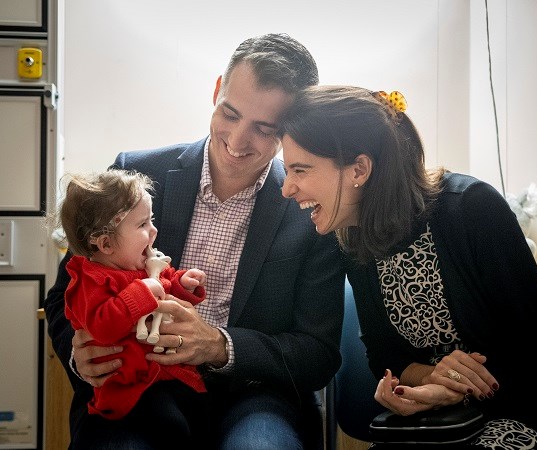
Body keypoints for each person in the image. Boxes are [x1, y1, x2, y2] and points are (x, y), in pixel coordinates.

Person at [44, 34, 345, 450]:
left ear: (289, 129)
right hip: (140, 387)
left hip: (255, 395)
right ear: (217, 89)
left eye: (263, 128)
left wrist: (221, 346)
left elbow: (318, 353)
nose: (238, 142)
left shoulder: (314, 211)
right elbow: (64, 296)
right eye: (231, 113)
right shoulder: (133, 174)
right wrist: (82, 359)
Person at [280, 85, 537, 449]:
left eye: (300, 170)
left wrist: (456, 391)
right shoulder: (352, 238)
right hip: (439, 424)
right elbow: (383, 354)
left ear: (359, 169)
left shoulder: (471, 209)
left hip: (530, 414)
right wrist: (432, 381)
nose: (287, 188)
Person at [55, 169, 208, 447]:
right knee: (173, 427)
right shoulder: (90, 282)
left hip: (161, 374)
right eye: (143, 225)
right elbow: (103, 326)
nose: (154, 231)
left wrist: (184, 284)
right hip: (129, 386)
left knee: (199, 412)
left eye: (152, 220)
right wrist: (143, 291)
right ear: (106, 244)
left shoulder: (136, 265)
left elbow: (166, 282)